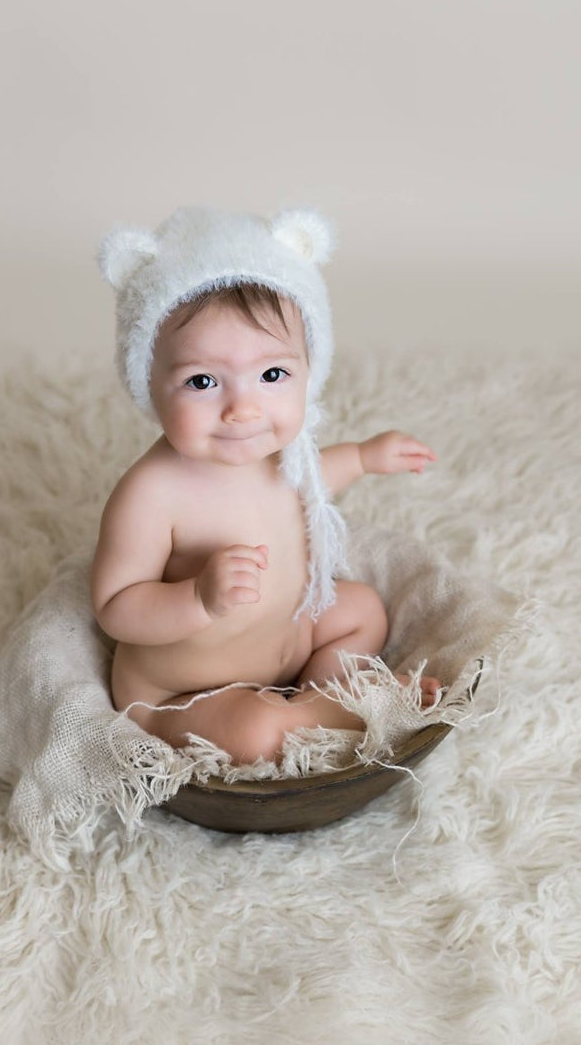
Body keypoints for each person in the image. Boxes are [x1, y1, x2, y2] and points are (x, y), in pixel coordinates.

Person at [91, 206, 440, 764]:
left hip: (287, 640)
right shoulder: (152, 492)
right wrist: (197, 597)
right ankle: (329, 712)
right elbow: (115, 605)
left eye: (272, 375)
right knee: (252, 732)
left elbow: (312, 481)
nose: (243, 409)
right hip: (185, 693)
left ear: (308, 370)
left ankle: (314, 692)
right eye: (202, 381)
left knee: (362, 611)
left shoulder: (280, 454)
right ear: (149, 384)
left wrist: (366, 456)